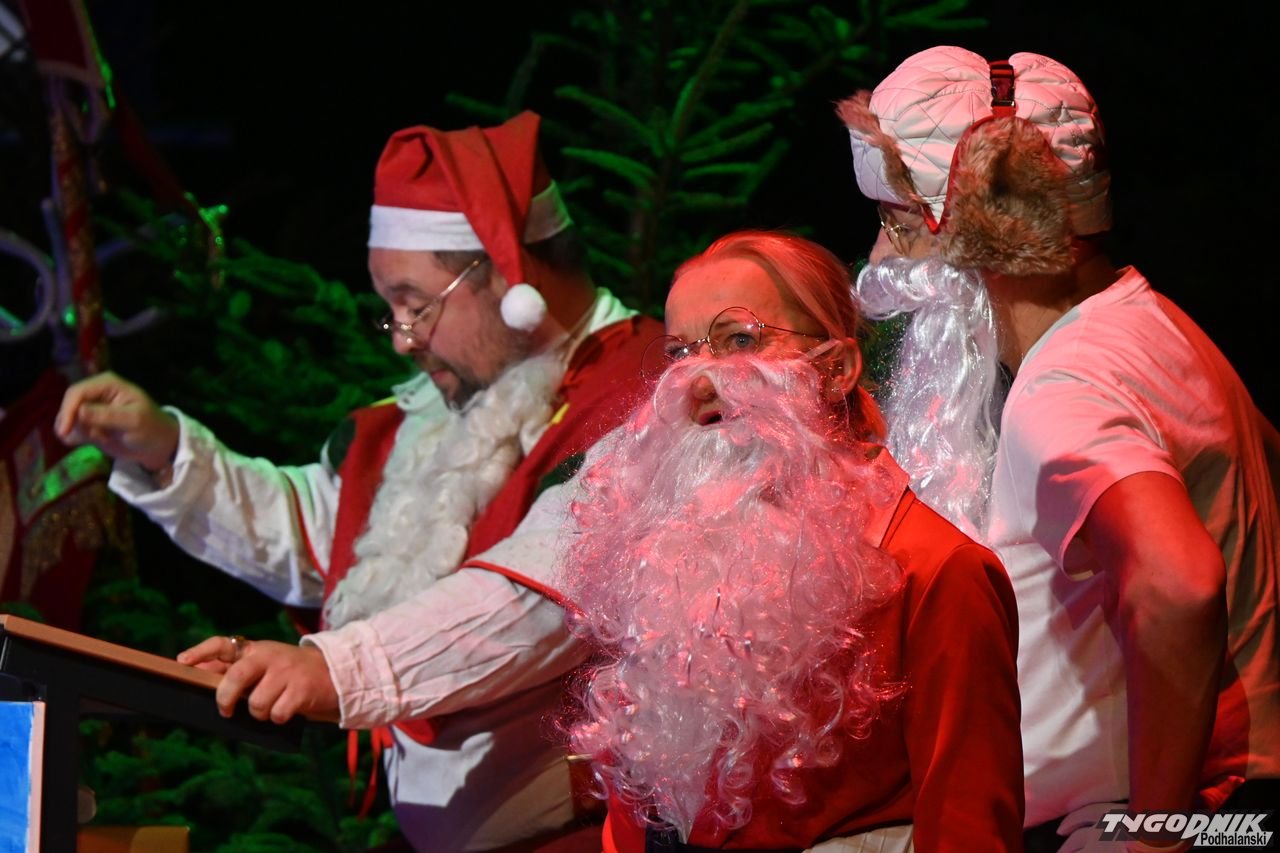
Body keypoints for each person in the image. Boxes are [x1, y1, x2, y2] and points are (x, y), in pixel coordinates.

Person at [55, 110, 664, 851]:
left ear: (508, 275)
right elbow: (321, 532)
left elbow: (540, 597)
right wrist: (165, 452)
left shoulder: (641, 398)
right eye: (391, 311)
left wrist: (333, 669)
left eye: (416, 304)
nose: (403, 338)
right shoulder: (447, 407)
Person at [840, 45, 1280, 850]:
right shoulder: (1157, 327)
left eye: (897, 224)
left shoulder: (1065, 389)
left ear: (980, 222)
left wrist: (1155, 832)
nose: (879, 259)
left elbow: (1179, 585)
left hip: (1172, 812)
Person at [491, 230, 1025, 851]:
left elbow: (968, 827)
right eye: (680, 353)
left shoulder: (935, 570)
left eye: (739, 341)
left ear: (835, 370)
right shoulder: (666, 558)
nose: (698, 381)